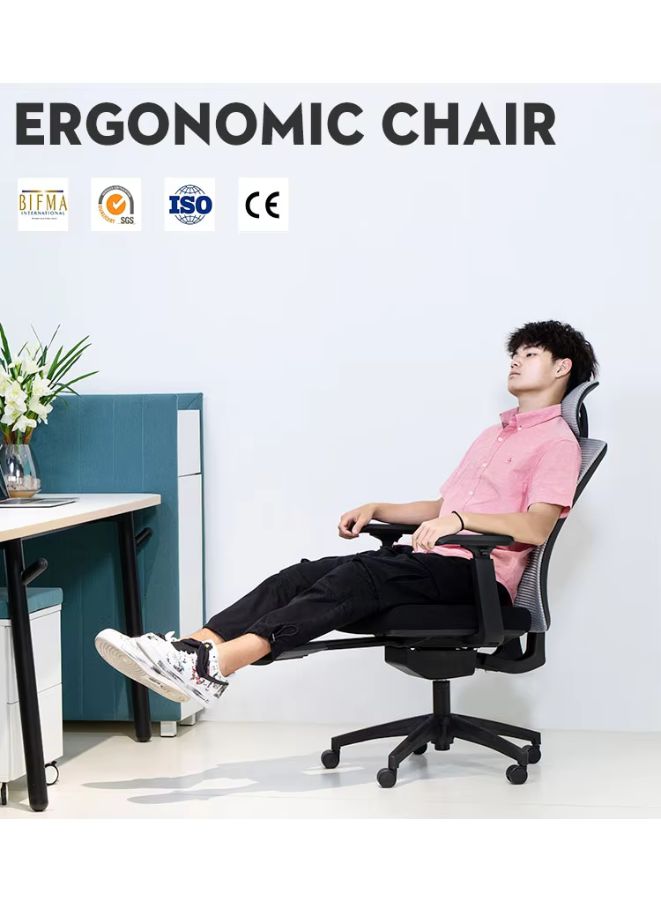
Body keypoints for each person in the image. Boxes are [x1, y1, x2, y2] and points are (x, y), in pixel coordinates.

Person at [95, 319, 597, 709]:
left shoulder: (556, 442)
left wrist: (461, 524)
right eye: (513, 353)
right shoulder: (495, 435)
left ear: (561, 368)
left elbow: (536, 526)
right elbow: (443, 507)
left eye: (530, 354)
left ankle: (218, 665)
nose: (515, 362)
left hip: (475, 576)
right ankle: (189, 650)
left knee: (358, 575)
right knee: (300, 575)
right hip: (436, 563)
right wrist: (380, 506)